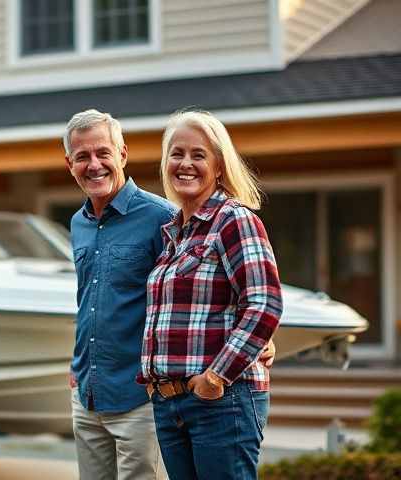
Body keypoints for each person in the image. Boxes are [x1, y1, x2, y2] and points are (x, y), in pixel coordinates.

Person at [138, 109, 283, 480]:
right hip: (171, 404)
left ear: (219, 166)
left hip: (221, 402)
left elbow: (264, 304)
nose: (185, 163)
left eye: (198, 155)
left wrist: (215, 378)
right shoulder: (175, 234)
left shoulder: (234, 219)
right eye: (177, 153)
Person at [64, 109, 174, 480]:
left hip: (139, 398)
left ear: (122, 155)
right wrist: (78, 362)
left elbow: (192, 296)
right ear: (70, 164)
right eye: (82, 157)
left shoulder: (164, 218)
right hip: (87, 393)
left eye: (102, 153)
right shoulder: (78, 223)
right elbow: (89, 298)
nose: (93, 165)